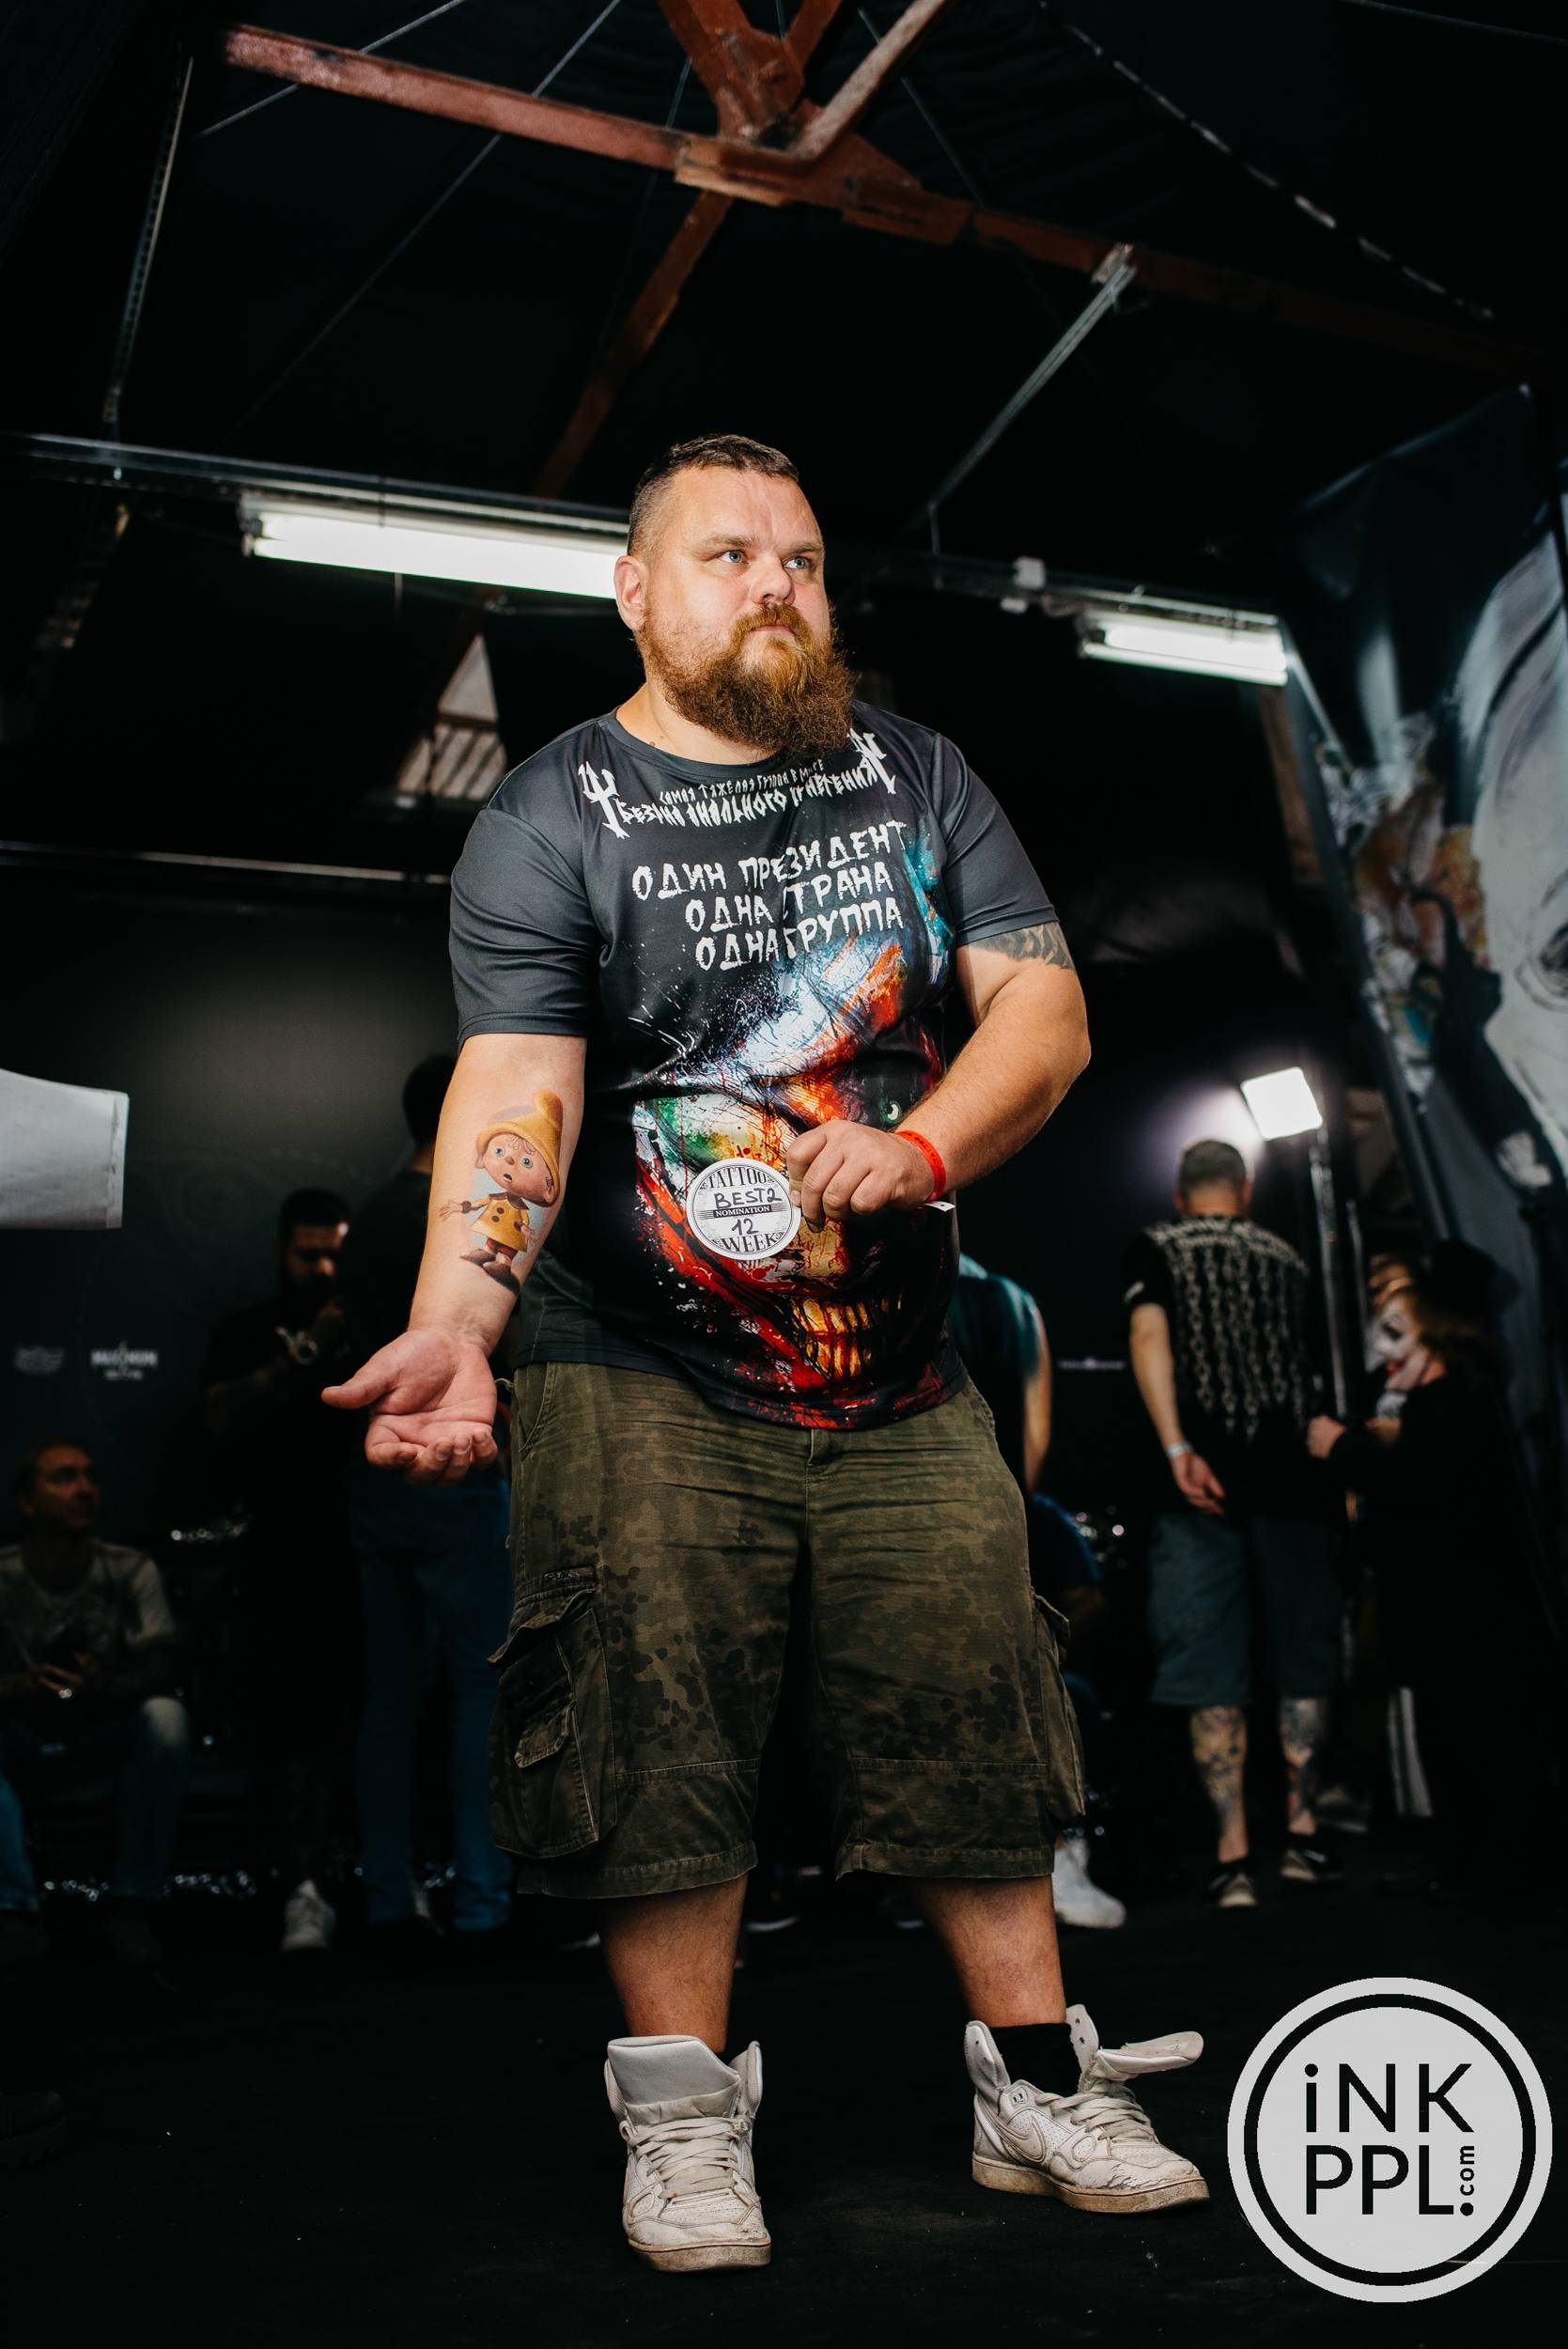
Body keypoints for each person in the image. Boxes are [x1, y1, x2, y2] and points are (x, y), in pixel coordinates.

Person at [328, 433, 1207, 2274]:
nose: (774, 586)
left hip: (892, 1358)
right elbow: (521, 1084)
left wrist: (928, 1144)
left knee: (972, 1698)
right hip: (634, 1353)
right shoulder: (551, 811)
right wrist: (458, 1320)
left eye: (798, 557)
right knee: (654, 1716)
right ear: (633, 591)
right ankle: (679, 2116)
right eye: (725, 554)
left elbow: (1042, 1008)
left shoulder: (916, 773)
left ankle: (1037, 2083)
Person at [1124, 1139, 1342, 1909]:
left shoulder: (1156, 1245)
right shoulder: (1288, 1258)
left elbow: (1147, 1337)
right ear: (1242, 1192)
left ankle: (1232, 1856)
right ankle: (1304, 1834)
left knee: (1206, 1660)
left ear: (1181, 1196)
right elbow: (1315, 1372)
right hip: (1294, 1478)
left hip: (1199, 1480)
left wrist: (1175, 1445)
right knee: (1303, 1655)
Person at [339, 1055, 514, 1956]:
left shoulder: (368, 1217)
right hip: (451, 1463)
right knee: (482, 1685)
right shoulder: (460, 1222)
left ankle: (388, 1897)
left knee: (389, 1699)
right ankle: (484, 1904)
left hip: (375, 1472)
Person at [1307, 1245, 1505, 1884]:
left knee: (1459, 1726)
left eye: (1396, 1334)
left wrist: (1344, 1449)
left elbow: (1423, 1485)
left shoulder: (1452, 1401)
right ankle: (1460, 1853)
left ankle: (1472, 1859)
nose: (1382, 1351)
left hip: (1454, 1604)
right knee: (1442, 1722)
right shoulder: (1435, 1402)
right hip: (1429, 1603)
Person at [202, 1187, 359, 1955]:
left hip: (372, 1545)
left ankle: (390, 1887)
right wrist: (308, 1349)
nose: (323, 1269)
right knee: (293, 1723)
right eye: (308, 1255)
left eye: (335, 1254)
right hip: (283, 1553)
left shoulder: (375, 1327)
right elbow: (221, 1422)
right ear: (279, 1250)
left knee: (380, 1717)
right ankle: (302, 1891)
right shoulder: (245, 1331)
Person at [948, 1254, 1123, 1927]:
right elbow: (1035, 1437)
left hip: (900, 1512)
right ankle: (1053, 1857)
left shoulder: (872, 1273)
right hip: (992, 1506)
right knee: (1013, 1685)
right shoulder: (1012, 1304)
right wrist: (1011, 1502)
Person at [0, 1439, 189, 1968]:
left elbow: (163, 1666)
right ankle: (12, 1912)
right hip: (19, 1736)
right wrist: (17, 1689)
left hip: (101, 1732)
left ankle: (133, 1902)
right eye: (64, 1478)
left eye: (90, 1477)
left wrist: (101, 1685)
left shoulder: (128, 1569)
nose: (84, 1489)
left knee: (165, 1718)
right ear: (27, 1502)